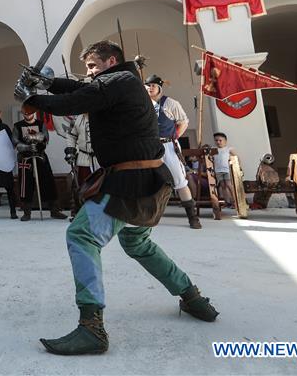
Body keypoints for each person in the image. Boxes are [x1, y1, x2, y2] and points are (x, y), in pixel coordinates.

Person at [15, 40, 218, 355]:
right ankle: (192, 297)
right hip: (149, 180)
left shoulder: (118, 81)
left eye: (94, 66)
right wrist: (49, 82)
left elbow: (78, 99)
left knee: (81, 235)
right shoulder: (120, 81)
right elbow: (81, 87)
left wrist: (33, 97)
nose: (89, 72)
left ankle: (92, 327)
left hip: (131, 184)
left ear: (111, 61)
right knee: (138, 243)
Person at [144, 75, 201, 229]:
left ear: (159, 88)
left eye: (153, 85)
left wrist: (173, 138)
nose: (150, 88)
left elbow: (183, 122)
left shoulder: (170, 103)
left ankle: (192, 217)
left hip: (168, 146)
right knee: (146, 181)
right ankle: (148, 217)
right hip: (149, 147)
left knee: (179, 180)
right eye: (147, 85)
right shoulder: (141, 104)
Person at [13, 108, 67, 221]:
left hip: (40, 156)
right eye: (26, 113)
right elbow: (15, 142)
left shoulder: (41, 124)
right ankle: (26, 212)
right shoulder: (18, 126)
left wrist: (37, 138)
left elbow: (46, 138)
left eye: (30, 112)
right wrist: (26, 147)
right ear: (23, 113)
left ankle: (54, 210)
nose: (28, 114)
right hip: (25, 159)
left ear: (34, 113)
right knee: (25, 185)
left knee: (48, 182)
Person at [212, 132, 238, 209]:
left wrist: (238, 167)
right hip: (218, 170)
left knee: (229, 185)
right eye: (216, 140)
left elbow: (236, 158)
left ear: (225, 141)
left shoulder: (228, 149)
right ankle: (227, 202)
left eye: (220, 140)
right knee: (222, 186)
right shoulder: (214, 150)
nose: (218, 142)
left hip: (227, 170)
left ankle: (235, 202)